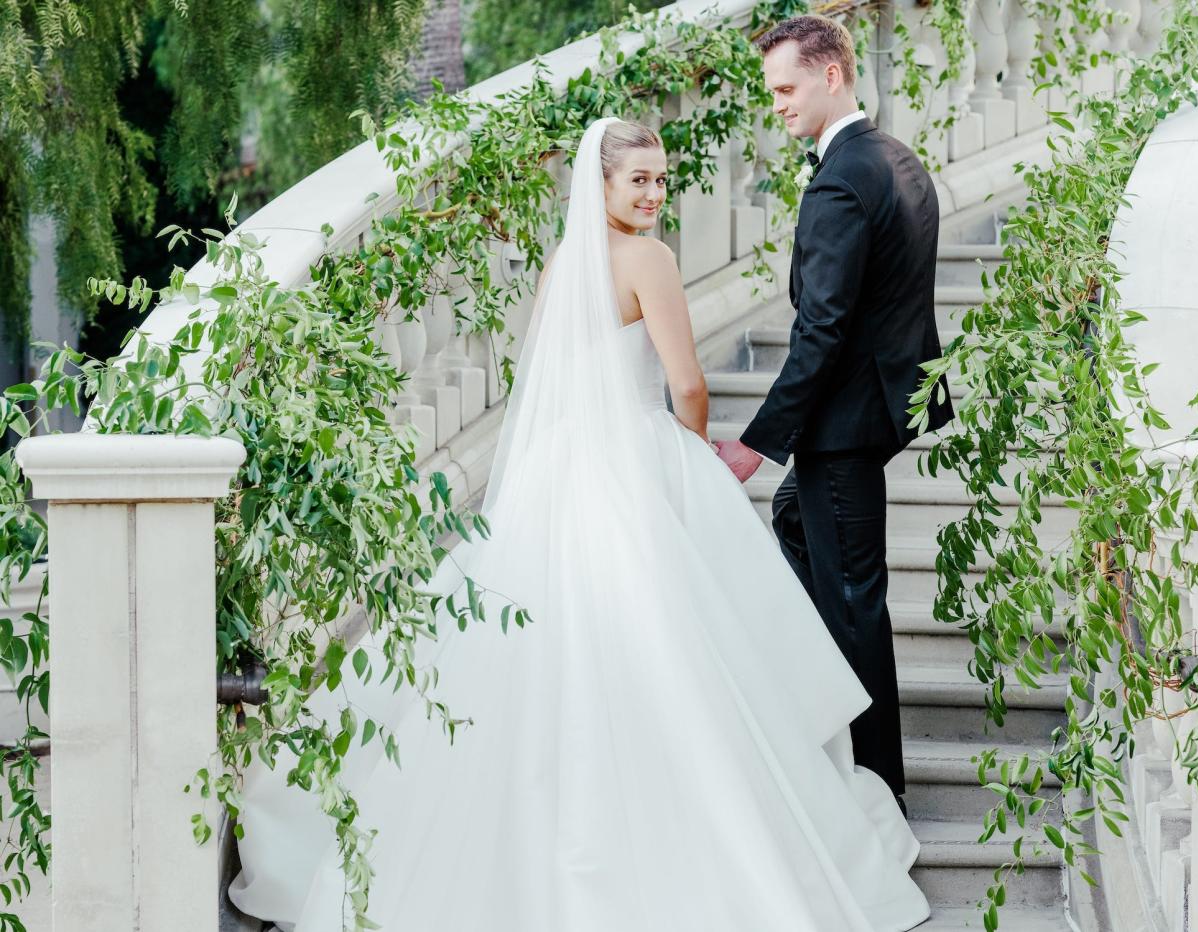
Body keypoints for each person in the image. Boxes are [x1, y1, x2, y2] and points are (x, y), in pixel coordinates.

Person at [229, 116, 931, 932]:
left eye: (661, 179)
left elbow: (547, 382)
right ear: (598, 186)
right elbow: (689, 385)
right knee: (683, 651)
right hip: (634, 458)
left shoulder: (563, 265)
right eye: (638, 180)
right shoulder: (649, 261)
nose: (654, 194)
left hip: (562, 471)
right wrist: (693, 458)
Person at [715, 15, 956, 808]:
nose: (776, 105)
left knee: (856, 606)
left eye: (785, 89)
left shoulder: (841, 181)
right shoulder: (896, 159)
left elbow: (821, 328)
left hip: (845, 430)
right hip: (879, 411)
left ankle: (880, 793)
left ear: (831, 76)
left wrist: (757, 443)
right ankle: (816, 699)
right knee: (795, 526)